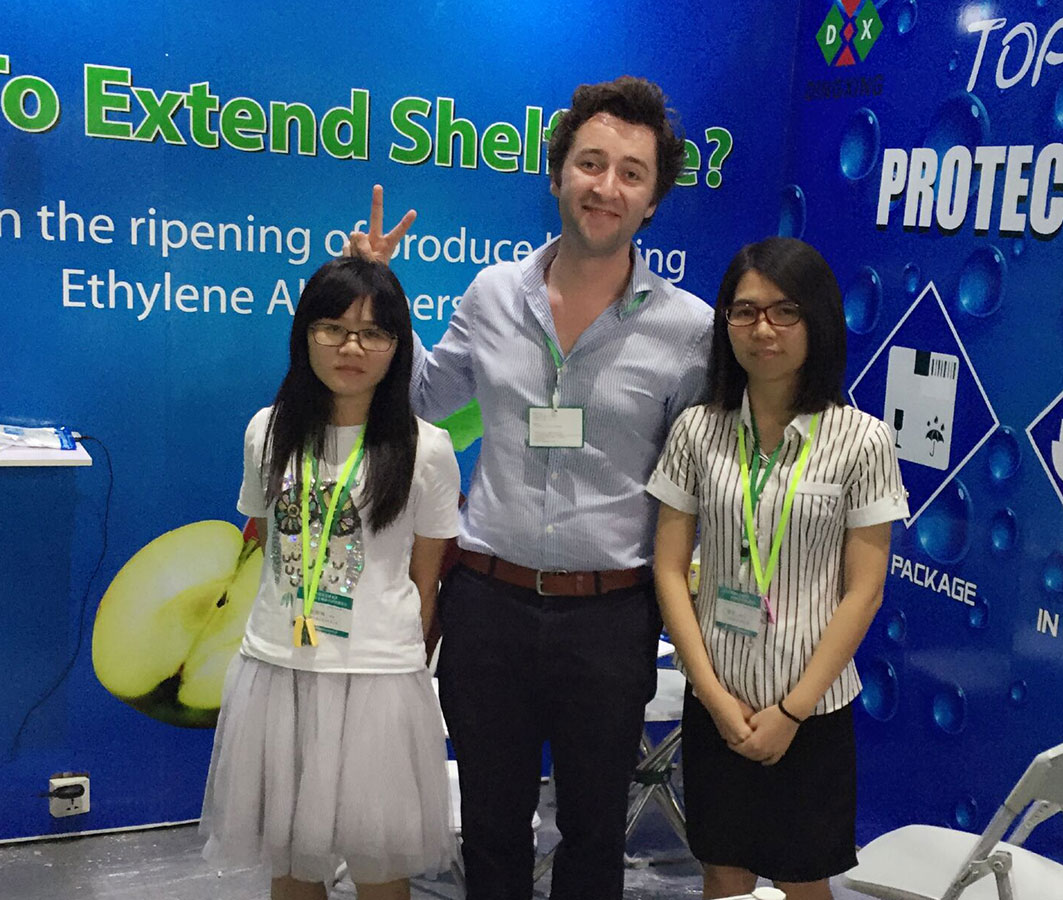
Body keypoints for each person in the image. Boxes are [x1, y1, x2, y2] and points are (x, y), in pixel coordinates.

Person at [348, 76, 712, 899]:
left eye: (631, 173)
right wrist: (377, 295)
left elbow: (695, 475)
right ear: (557, 175)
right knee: (491, 828)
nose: (606, 186)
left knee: (594, 835)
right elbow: (423, 399)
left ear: (653, 199)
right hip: (489, 607)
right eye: (590, 164)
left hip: (611, 617)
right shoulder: (491, 295)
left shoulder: (689, 331)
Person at [647, 237, 908, 900]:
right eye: (745, 311)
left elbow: (865, 592)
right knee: (723, 875)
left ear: (817, 320)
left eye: (784, 311)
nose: (763, 329)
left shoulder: (863, 439)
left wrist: (791, 711)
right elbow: (670, 568)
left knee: (803, 881)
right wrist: (713, 697)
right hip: (719, 704)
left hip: (812, 711)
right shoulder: (697, 429)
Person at [199, 257, 462, 900]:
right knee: (292, 867)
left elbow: (426, 580)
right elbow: (267, 542)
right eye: (333, 328)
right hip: (279, 670)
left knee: (380, 869)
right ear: (304, 334)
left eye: (374, 333)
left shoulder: (427, 448)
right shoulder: (267, 431)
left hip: (377, 678)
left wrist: (401, 659)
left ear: (398, 346)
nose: (352, 347)